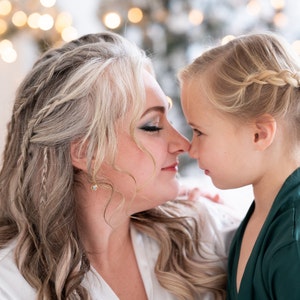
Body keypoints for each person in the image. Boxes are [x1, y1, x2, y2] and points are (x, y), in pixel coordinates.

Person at [0, 31, 239, 300]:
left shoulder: (203, 233)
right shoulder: (10, 284)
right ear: (85, 151)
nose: (183, 144)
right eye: (152, 126)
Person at [178, 31, 300, 300]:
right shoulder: (263, 212)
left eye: (199, 132)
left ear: (260, 134)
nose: (190, 149)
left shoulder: (292, 242)